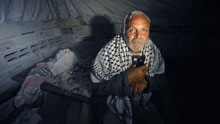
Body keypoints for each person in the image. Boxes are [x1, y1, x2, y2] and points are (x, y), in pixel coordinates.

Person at [90, 11, 165, 124]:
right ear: (124, 31)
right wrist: (127, 78)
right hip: (114, 105)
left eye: (143, 30)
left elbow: (161, 78)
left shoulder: (152, 49)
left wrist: (147, 83)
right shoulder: (108, 53)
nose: (138, 36)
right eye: (132, 30)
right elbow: (97, 87)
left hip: (142, 102)